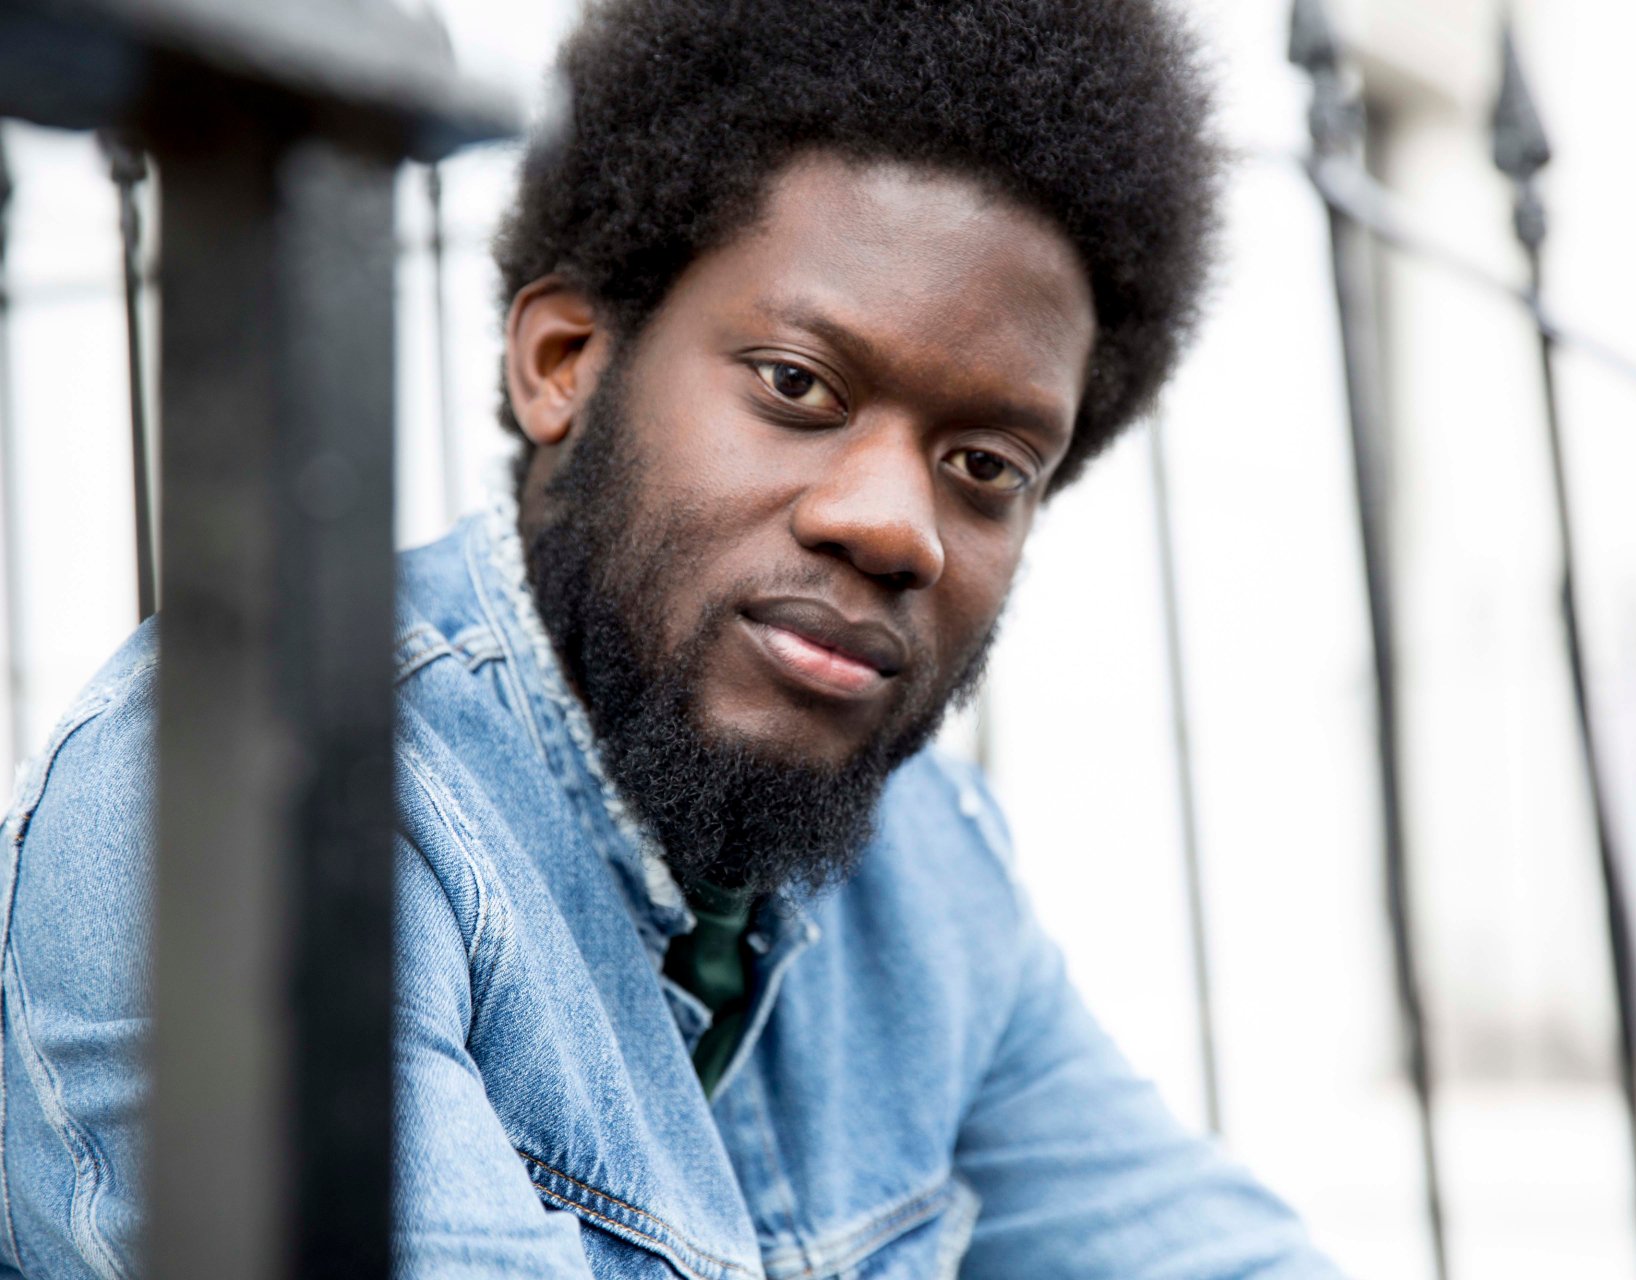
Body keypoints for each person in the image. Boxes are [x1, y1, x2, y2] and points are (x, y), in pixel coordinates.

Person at [0, 0, 1343, 1275]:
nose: (897, 528)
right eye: (800, 385)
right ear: (566, 359)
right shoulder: (246, 806)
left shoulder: (930, 877)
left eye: (988, 465)